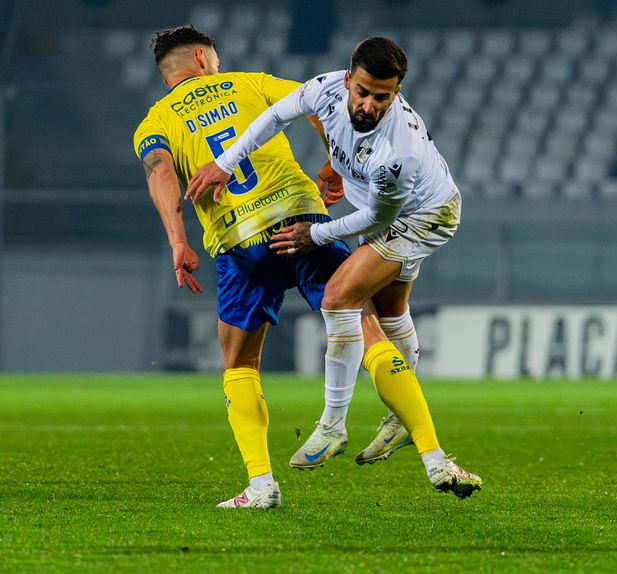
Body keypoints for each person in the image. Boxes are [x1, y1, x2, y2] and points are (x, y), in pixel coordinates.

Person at [188, 36, 483, 498]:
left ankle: (332, 423)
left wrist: (316, 234)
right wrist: (227, 163)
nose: (368, 104)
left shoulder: (398, 151)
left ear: (397, 92)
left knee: (339, 297)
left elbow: (378, 220)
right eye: (362, 91)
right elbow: (274, 116)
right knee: (389, 311)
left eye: (381, 97)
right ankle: (400, 421)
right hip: (383, 204)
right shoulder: (324, 89)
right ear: (348, 79)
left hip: (423, 216)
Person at [132, 24, 349, 508]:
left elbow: (161, 172)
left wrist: (177, 241)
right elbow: (320, 101)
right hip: (301, 217)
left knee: (239, 364)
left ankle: (260, 485)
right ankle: (415, 436)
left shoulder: (153, 123)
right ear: (204, 58)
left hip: (237, 242)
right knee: (364, 319)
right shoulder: (250, 82)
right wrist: (334, 162)